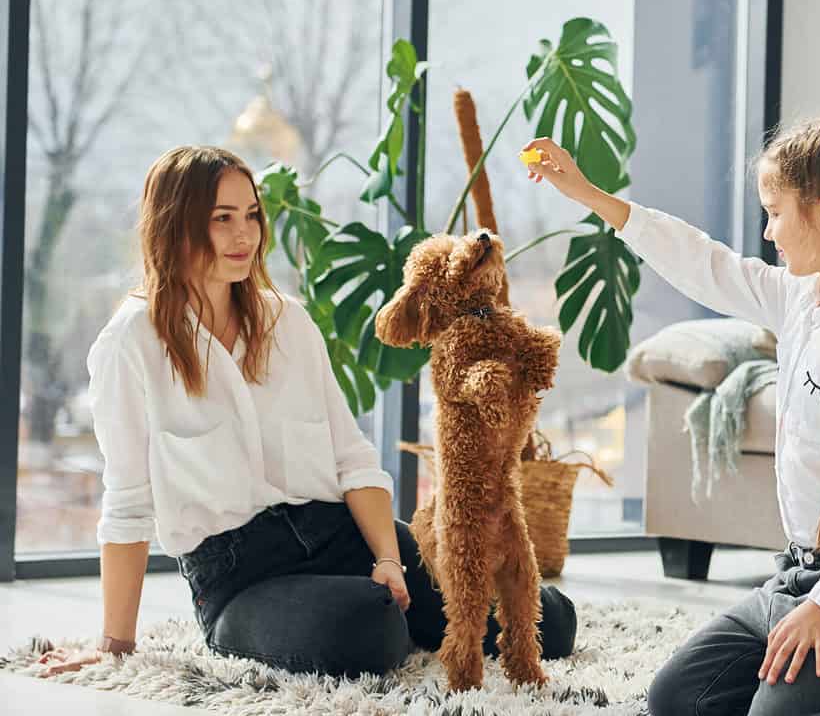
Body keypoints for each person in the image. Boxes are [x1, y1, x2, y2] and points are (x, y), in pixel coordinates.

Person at [38, 146, 575, 679]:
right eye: (221, 219)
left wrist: (389, 558)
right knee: (370, 629)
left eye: (251, 215)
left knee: (550, 624)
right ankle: (375, 620)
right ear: (174, 225)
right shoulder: (131, 343)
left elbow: (351, 458)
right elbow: (128, 502)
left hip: (346, 534)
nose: (244, 235)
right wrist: (115, 644)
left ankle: (399, 610)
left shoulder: (286, 322)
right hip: (242, 575)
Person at [524, 117, 820, 715]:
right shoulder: (799, 300)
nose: (768, 231)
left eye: (776, 212)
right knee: (677, 700)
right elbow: (705, 263)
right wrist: (591, 196)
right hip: (803, 574)